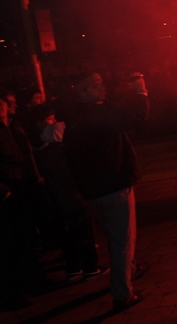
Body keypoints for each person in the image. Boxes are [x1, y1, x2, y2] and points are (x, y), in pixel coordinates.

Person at [62, 71, 150, 312]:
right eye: (95, 86)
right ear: (82, 92)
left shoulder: (76, 117)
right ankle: (122, 294)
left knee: (115, 237)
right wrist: (140, 90)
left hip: (94, 191)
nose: (102, 88)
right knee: (123, 240)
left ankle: (130, 270)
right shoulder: (98, 113)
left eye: (101, 83)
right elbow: (137, 118)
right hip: (113, 186)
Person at [30, 104, 106, 282]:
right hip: (72, 198)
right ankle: (90, 267)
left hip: (57, 201)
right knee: (84, 232)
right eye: (50, 119)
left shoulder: (37, 152)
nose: (55, 122)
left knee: (68, 236)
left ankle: (73, 268)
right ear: (40, 124)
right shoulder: (57, 150)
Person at [0, 89, 44, 309]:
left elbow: (27, 154)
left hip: (24, 184)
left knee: (27, 234)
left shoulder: (14, 126)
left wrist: (35, 176)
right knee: (11, 241)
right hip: (8, 189)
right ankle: (12, 292)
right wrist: (3, 191)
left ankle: (32, 279)